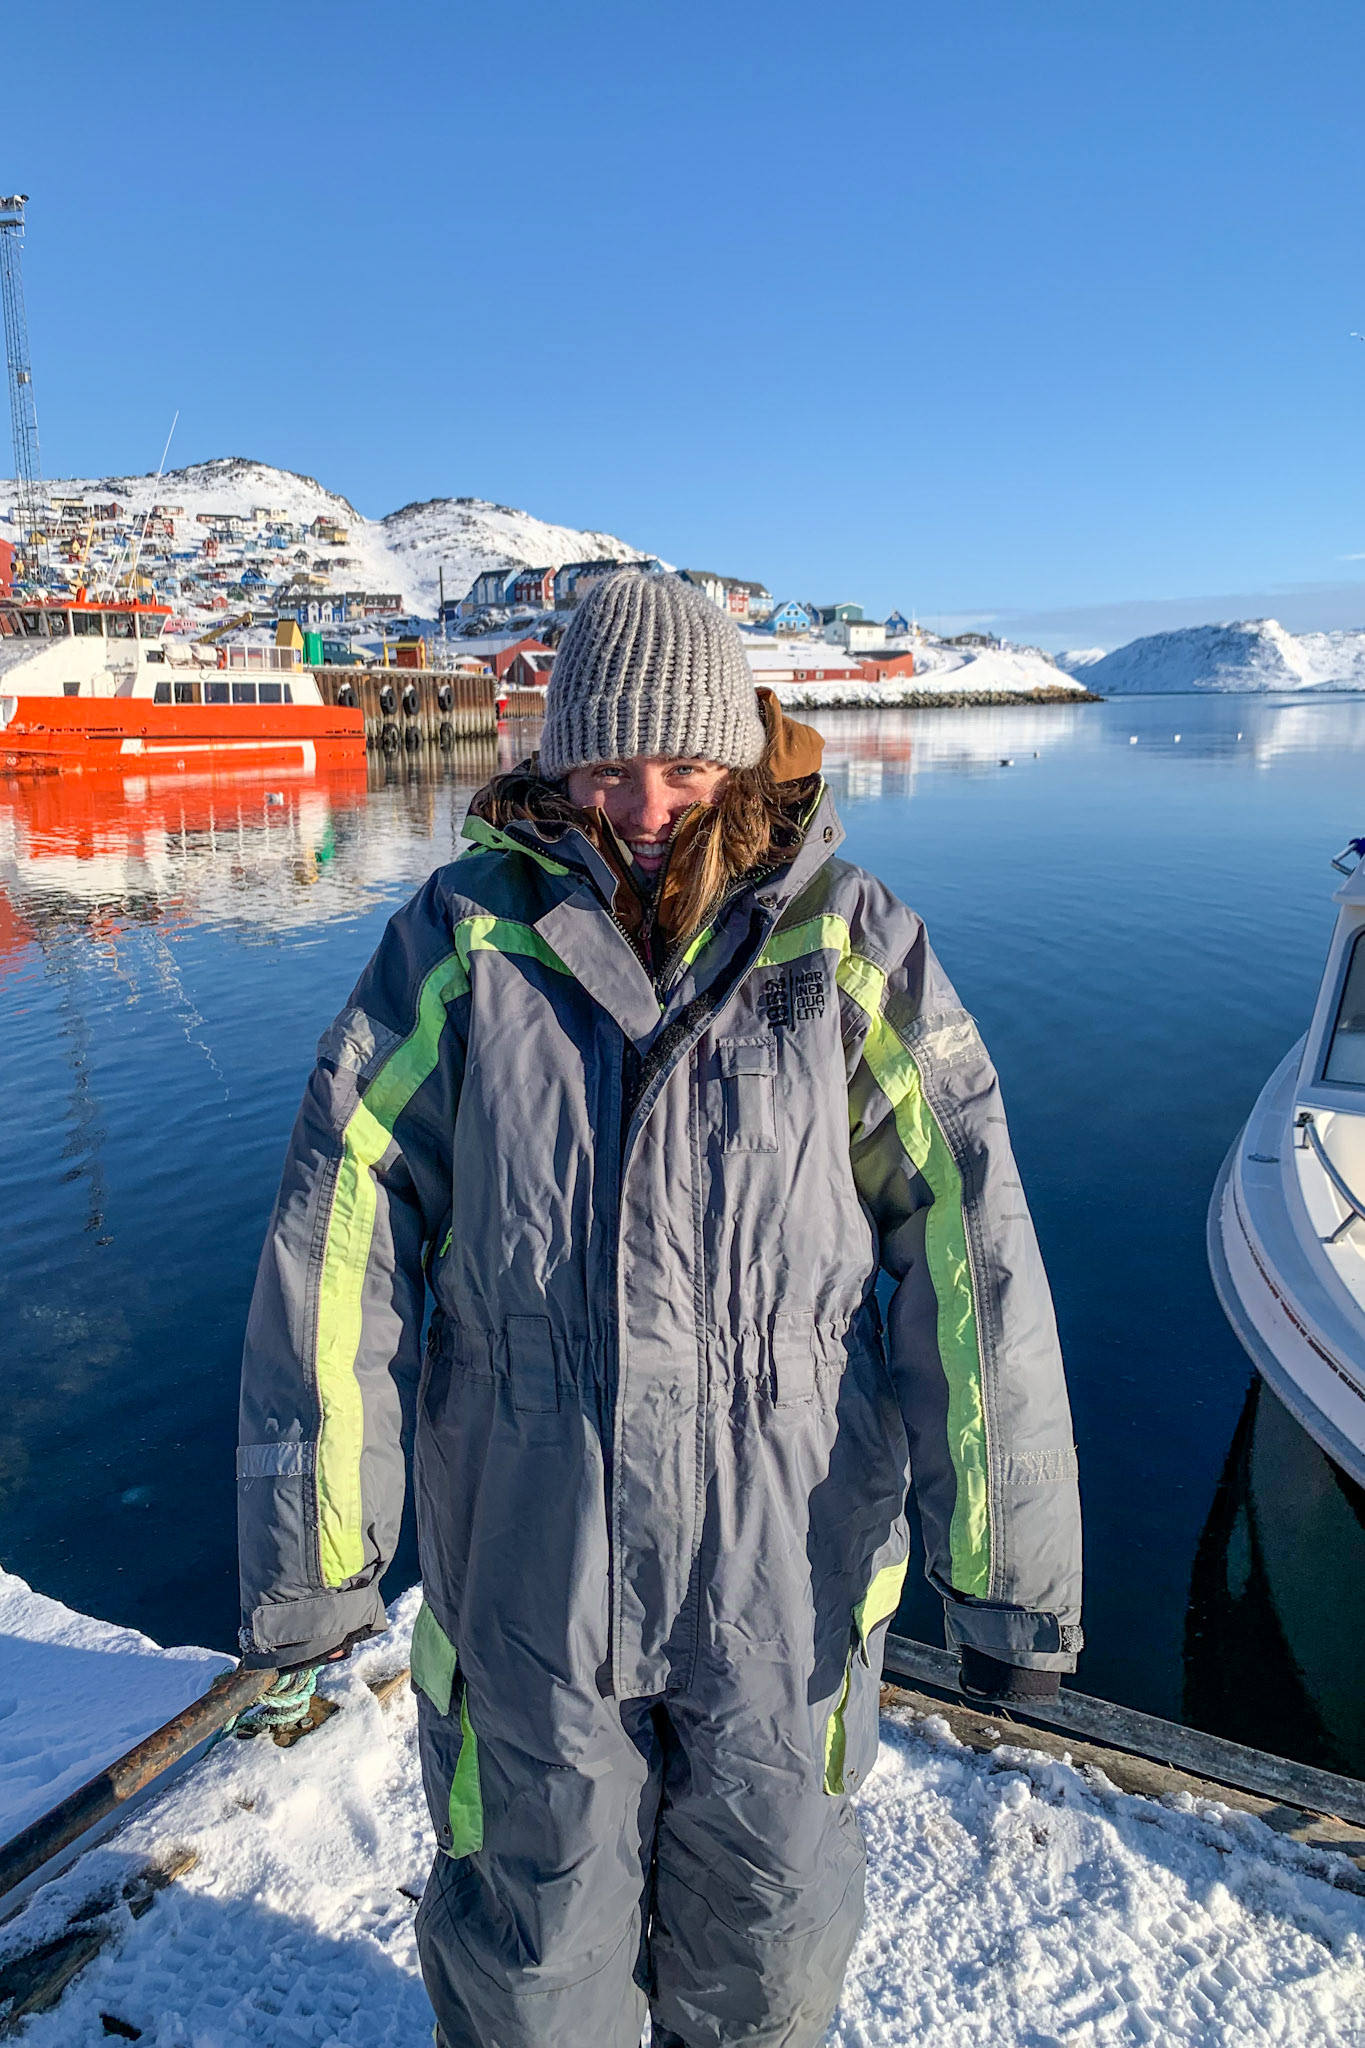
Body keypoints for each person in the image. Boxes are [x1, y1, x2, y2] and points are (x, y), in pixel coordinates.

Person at [235, 570, 1082, 2048]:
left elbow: (966, 1247)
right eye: (610, 765)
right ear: (558, 757)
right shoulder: (461, 943)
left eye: (683, 765)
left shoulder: (846, 949)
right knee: (534, 1942)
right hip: (527, 1552)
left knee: (766, 1935)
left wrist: (1005, 1564)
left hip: (788, 1554)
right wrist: (317, 1555)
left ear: (740, 755)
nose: (644, 804)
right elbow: (343, 1234)